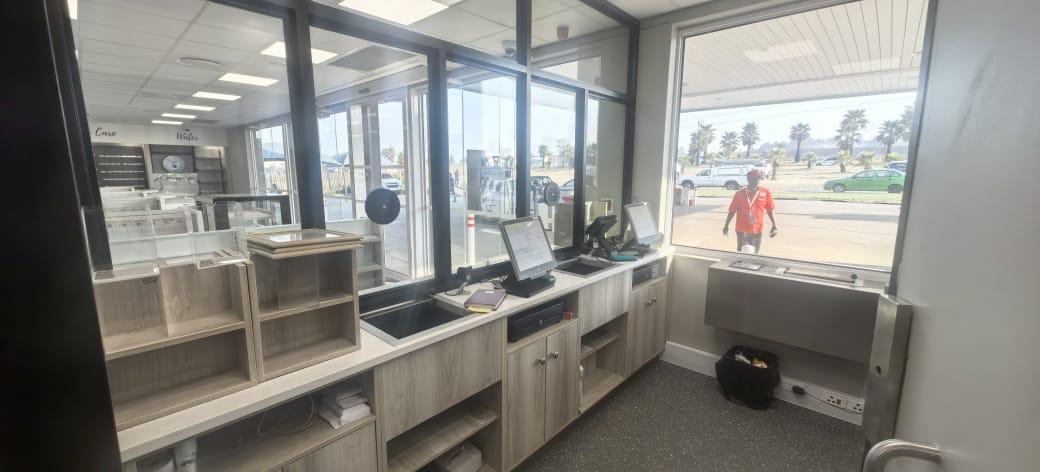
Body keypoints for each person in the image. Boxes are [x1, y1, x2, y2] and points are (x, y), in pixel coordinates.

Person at [722, 169, 777, 253]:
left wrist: (774, 224)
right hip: (742, 230)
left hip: (757, 230)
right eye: (756, 178)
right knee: (744, 254)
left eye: (760, 178)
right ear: (749, 180)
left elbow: (770, 209)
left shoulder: (765, 192)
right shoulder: (739, 194)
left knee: (754, 253)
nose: (759, 180)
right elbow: (732, 211)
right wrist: (726, 225)